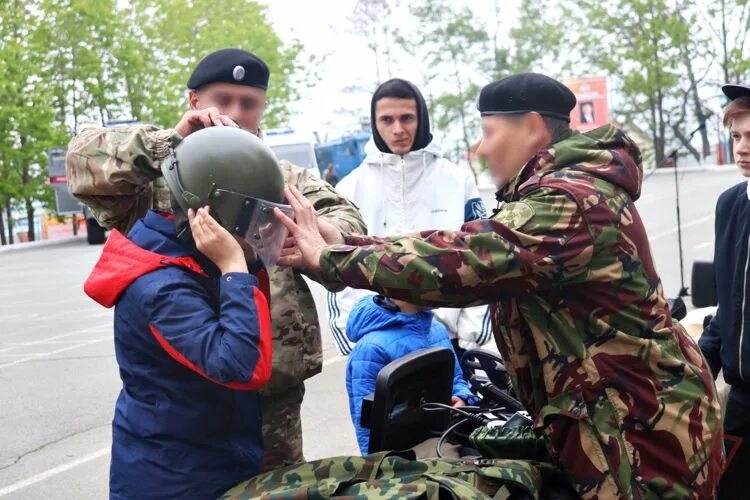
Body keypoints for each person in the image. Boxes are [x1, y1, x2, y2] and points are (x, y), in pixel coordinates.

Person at [276, 73, 724, 498]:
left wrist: (333, 258)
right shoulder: (565, 190)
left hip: (642, 432)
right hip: (620, 418)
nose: (481, 147)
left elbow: (466, 260)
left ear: (530, 128)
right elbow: (462, 243)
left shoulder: (570, 199)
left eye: (489, 132)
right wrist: (352, 242)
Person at [65, 48, 367, 471]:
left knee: (276, 485)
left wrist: (316, 236)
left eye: (249, 102)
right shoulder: (160, 175)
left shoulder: (283, 179)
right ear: (194, 102)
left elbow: (346, 222)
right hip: (181, 397)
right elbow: (80, 161)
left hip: (269, 394)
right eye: (222, 100)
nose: (236, 113)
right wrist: (168, 143)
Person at [84, 127, 284, 498]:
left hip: (207, 462)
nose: (260, 232)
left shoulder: (189, 251)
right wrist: (235, 269)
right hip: (173, 481)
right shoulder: (160, 284)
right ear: (216, 217)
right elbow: (240, 365)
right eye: (253, 220)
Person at [328, 78, 492, 357]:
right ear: (374, 122)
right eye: (387, 120)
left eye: (407, 118)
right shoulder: (349, 188)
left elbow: (485, 258)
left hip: (447, 344)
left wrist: (469, 342)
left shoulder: (457, 181)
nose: (398, 129)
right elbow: (335, 267)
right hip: (375, 346)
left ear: (422, 119)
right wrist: (353, 345)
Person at [698, 83, 750, 499]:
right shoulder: (730, 204)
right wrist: (694, 368)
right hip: (741, 404)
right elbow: (726, 309)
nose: (742, 148)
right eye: (736, 136)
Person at [345, 294, 476, 454]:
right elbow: (369, 426)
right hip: (405, 458)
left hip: (445, 436)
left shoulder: (436, 330)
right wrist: (377, 469)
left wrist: (461, 398)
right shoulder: (371, 349)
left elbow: (456, 381)